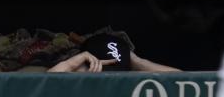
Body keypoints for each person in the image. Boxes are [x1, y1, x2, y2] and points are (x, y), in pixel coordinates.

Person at [48, 33, 180, 72]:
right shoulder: (79, 78)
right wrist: (73, 62)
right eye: (102, 70)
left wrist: (138, 62)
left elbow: (181, 80)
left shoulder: (129, 80)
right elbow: (45, 82)